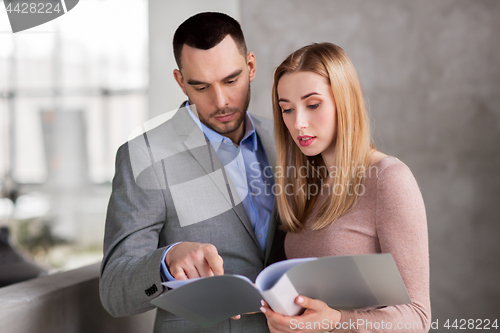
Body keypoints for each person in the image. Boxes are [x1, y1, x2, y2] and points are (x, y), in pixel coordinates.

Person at [99, 12, 284, 333]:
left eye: (231, 80)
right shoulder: (144, 155)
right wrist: (166, 262)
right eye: (200, 86)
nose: (221, 101)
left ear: (251, 67)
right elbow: (115, 293)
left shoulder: (286, 140)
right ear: (180, 81)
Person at [260, 43, 430, 332]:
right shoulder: (308, 186)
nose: (298, 123)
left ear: (345, 100)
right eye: (287, 109)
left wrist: (335, 321)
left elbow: (418, 318)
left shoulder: (388, 178)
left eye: (313, 105)